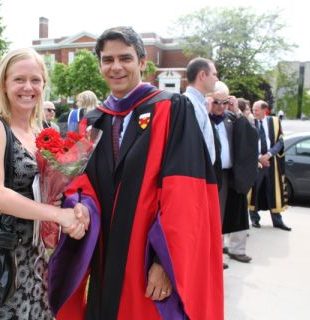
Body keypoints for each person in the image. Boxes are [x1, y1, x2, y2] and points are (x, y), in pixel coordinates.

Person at [48, 27, 223, 320]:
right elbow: (79, 184)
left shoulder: (172, 108)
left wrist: (166, 263)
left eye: (125, 58)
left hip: (146, 262)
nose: (116, 67)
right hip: (104, 259)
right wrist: (80, 208)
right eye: (108, 60)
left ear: (142, 62)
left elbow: (184, 194)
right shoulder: (93, 121)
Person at [0, 48, 87, 319]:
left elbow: (45, 191)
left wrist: (72, 208)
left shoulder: (41, 133)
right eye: (19, 79)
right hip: (1, 259)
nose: (28, 87)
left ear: (44, 84)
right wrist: (57, 214)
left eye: (35, 80)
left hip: (35, 256)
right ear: (4, 84)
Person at [209, 82, 258, 266]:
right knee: (215, 216)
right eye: (216, 102)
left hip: (231, 175)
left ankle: (228, 252)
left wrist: (237, 112)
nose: (221, 107)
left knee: (229, 216)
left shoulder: (231, 119)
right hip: (213, 175)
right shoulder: (203, 118)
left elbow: (251, 137)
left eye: (224, 102)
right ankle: (214, 255)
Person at [249, 100, 290, 231]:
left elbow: (280, 141)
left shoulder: (275, 122)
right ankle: (255, 220)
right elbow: (247, 143)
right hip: (256, 163)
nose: (254, 112)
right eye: (253, 109)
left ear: (264, 110)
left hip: (272, 163)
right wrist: (259, 158)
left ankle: (277, 221)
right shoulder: (250, 122)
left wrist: (269, 154)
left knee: (273, 191)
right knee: (255, 191)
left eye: (256, 110)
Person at [184, 57, 218, 166]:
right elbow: (191, 148)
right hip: (195, 174)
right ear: (202, 75)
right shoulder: (188, 104)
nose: (217, 79)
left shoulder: (199, 104)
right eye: (214, 74)